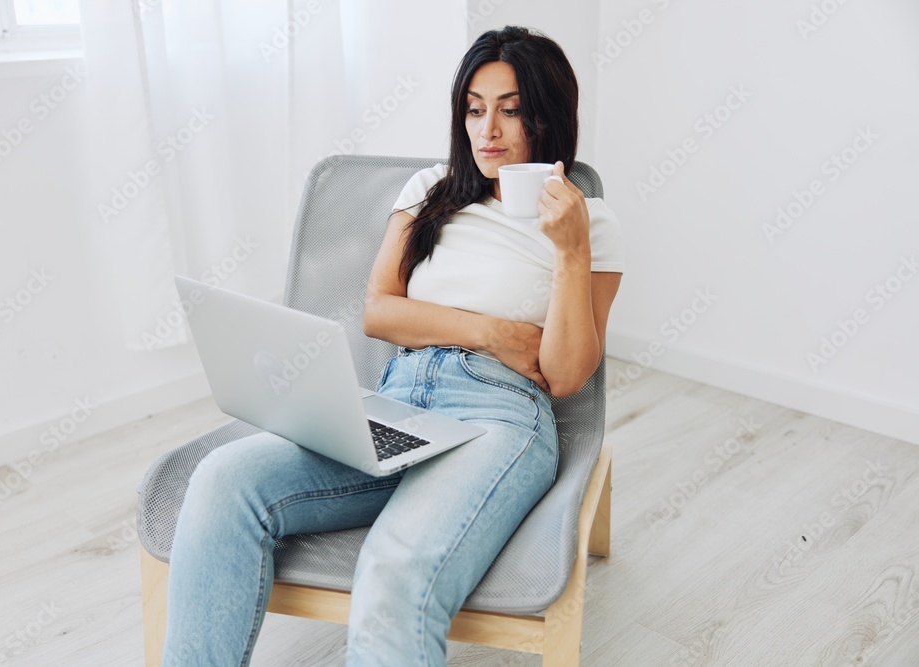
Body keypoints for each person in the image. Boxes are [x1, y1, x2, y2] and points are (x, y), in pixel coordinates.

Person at [162, 24, 624, 667]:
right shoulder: (430, 191)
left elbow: (567, 373)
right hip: (398, 403)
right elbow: (379, 312)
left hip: (501, 417)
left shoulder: (590, 222)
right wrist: (491, 331)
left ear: (548, 118)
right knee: (222, 481)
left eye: (511, 110)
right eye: (474, 108)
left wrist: (571, 249)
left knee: (395, 568)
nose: (487, 129)